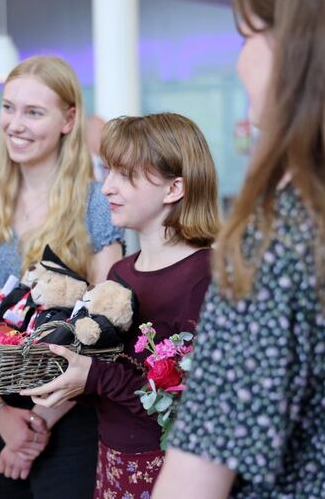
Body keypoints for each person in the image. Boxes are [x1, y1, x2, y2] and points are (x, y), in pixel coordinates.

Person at [152, 0, 325, 497]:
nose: (238, 60)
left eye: (247, 36)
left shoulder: (278, 244)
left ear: (295, 50)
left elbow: (197, 478)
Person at [0, 55, 125, 498]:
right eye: (8, 107)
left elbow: (108, 334)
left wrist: (37, 425)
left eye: (34, 112)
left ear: (69, 119)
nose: (15, 124)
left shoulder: (97, 207)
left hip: (70, 412)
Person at [22, 113, 220, 498]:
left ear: (174, 187)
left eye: (125, 175)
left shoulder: (207, 277)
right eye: (107, 171)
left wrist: (92, 376)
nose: (107, 187)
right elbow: (112, 374)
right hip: (111, 460)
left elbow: (190, 409)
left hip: (169, 473)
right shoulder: (121, 271)